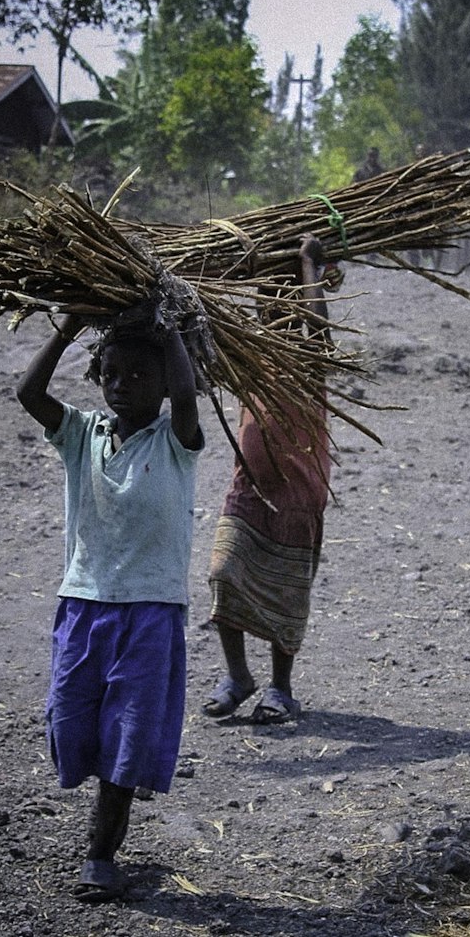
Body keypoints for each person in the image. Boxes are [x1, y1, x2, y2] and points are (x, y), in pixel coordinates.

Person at [16, 305, 204, 902]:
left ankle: (101, 854)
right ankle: (117, 787)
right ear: (98, 376)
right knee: (69, 724)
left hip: (150, 610)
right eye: (114, 374)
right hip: (84, 603)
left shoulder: (177, 441)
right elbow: (27, 391)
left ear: (164, 386)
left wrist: (171, 324)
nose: (124, 386)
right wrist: (69, 326)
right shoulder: (81, 434)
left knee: (126, 733)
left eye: (139, 377)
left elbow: (186, 393)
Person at [203, 235, 333, 724]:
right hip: (248, 489)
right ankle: (238, 676)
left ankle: (281, 688)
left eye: (283, 301)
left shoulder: (310, 359)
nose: (272, 311)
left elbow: (319, 330)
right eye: (265, 303)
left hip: (298, 494)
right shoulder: (248, 360)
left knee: (286, 594)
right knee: (223, 573)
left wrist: (307, 266)